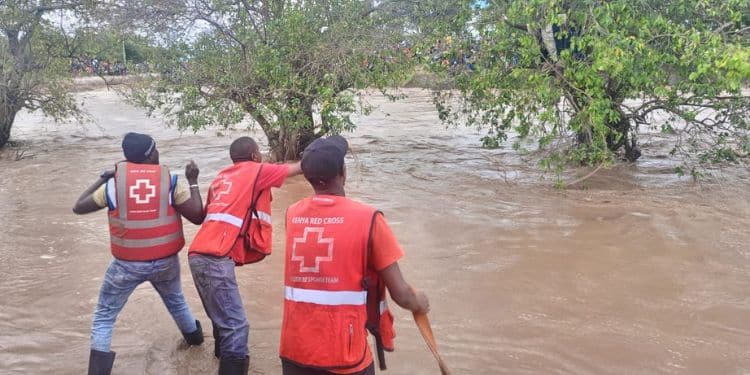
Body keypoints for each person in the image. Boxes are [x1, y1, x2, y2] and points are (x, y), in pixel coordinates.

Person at [279, 135, 430, 375]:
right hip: (343, 354)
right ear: (343, 172)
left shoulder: (292, 214)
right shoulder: (369, 219)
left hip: (294, 347)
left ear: (307, 177)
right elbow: (402, 295)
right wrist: (421, 303)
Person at [72, 132, 206, 375]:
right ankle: (196, 343)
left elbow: (78, 207)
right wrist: (193, 180)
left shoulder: (112, 186)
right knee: (176, 301)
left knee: (104, 316)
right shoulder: (171, 181)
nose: (158, 154)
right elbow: (198, 215)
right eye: (155, 150)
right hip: (165, 262)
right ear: (150, 154)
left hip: (126, 265)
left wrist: (102, 179)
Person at [188, 137, 302, 375]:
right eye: (259, 152)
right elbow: (299, 168)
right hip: (216, 258)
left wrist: (193, 182)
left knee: (222, 320)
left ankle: (219, 361)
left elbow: (201, 216)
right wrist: (323, 152)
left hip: (197, 254)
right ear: (253, 156)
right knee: (237, 327)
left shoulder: (221, 178)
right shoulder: (257, 171)